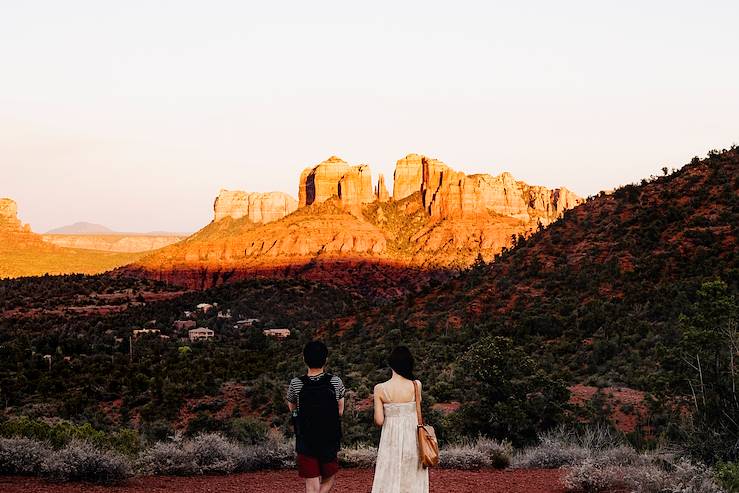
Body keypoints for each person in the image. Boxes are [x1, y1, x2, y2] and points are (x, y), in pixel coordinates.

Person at [287, 341, 345, 493]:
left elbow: (292, 408)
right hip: (329, 438)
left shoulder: (296, 383)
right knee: (329, 475)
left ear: (304, 359)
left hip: (305, 439)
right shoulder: (335, 382)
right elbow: (340, 411)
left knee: (311, 482)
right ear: (325, 359)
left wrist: (296, 417)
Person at [371, 346, 429, 493]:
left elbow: (379, 420)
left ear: (391, 364)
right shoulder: (417, 385)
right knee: (411, 476)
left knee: (390, 473)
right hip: (413, 438)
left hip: (390, 440)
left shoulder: (380, 388)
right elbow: (418, 409)